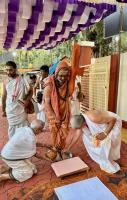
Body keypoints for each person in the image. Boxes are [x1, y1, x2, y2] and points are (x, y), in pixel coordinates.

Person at [43, 60, 72, 154]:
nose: (63, 78)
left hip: (64, 112)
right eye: (61, 75)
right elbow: (47, 103)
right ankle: (55, 150)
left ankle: (60, 149)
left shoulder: (68, 83)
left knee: (63, 132)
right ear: (56, 73)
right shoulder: (49, 84)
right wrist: (55, 118)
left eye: (66, 76)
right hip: (53, 114)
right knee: (55, 132)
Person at [2, 61, 33, 138]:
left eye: (10, 70)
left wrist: (27, 100)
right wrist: (3, 110)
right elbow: (4, 96)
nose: (8, 72)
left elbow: (31, 91)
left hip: (21, 108)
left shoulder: (23, 79)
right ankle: (14, 144)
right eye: (7, 70)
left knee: (24, 127)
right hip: (10, 109)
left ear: (15, 69)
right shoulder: (5, 81)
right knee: (12, 127)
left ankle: (24, 144)